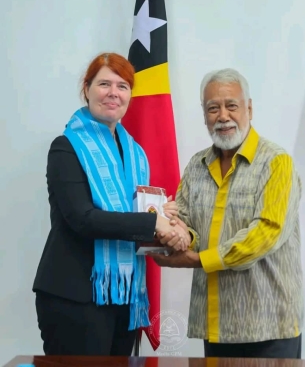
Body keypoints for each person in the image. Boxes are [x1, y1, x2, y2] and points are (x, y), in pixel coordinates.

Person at [32, 52, 189, 356]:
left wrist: (162, 217)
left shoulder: (134, 154)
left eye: (123, 85)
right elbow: (84, 218)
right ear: (87, 89)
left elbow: (134, 215)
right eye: (104, 84)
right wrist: (151, 223)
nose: (114, 93)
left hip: (125, 297)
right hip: (74, 296)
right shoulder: (66, 147)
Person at [149, 68, 304, 359]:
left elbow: (266, 234)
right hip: (215, 325)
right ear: (204, 114)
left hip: (269, 326)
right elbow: (188, 224)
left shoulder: (277, 162)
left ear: (249, 108)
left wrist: (196, 259)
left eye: (231, 105)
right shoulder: (197, 165)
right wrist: (174, 229)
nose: (223, 116)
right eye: (212, 108)